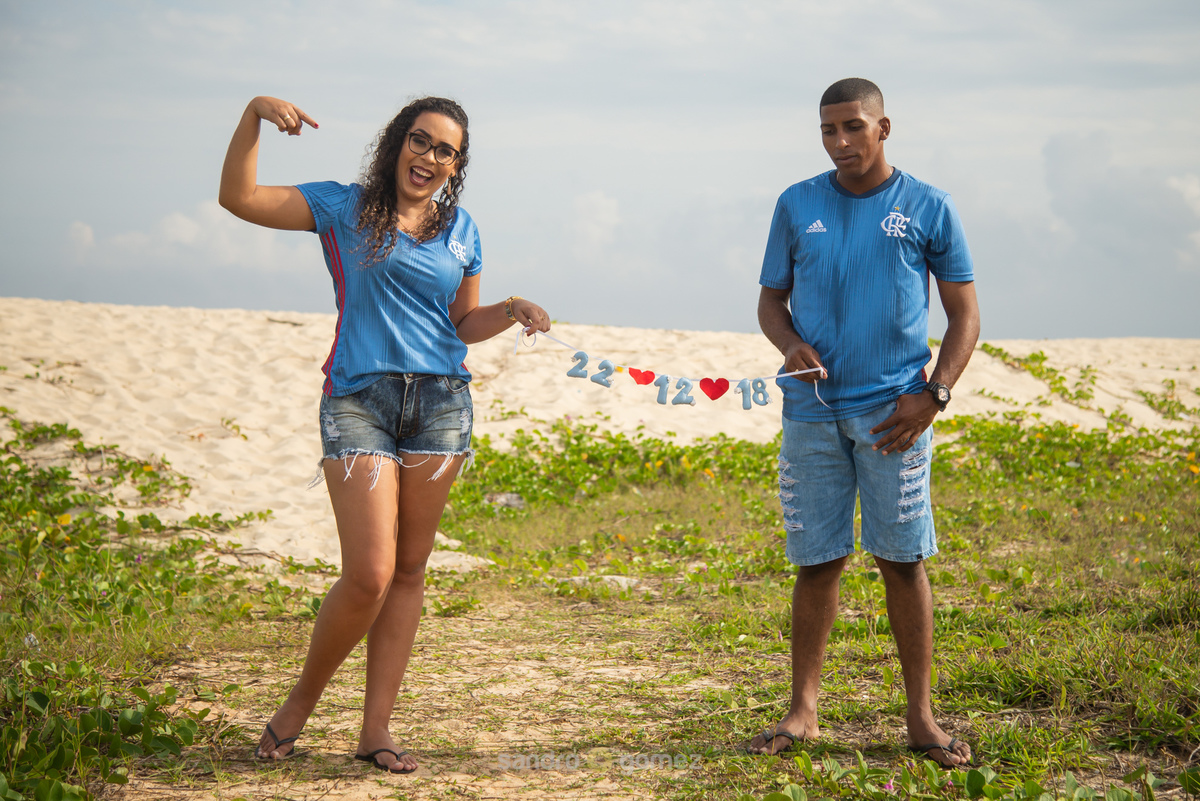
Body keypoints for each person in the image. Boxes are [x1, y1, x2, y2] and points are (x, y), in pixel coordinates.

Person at [219, 95, 551, 774]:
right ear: (398, 142)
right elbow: (239, 198)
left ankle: (376, 729)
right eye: (420, 141)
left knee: (407, 570)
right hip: (358, 399)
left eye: (445, 151)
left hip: (440, 406)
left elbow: (461, 324)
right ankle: (297, 707)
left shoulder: (462, 229)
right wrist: (253, 116)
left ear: (457, 165)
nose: (429, 157)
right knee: (369, 573)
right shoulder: (344, 207)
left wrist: (510, 308)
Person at [746, 78, 980, 768]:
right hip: (811, 413)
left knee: (902, 561)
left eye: (853, 126)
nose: (841, 141)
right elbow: (770, 302)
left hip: (895, 416)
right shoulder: (797, 204)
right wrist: (790, 344)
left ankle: (921, 717)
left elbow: (965, 315)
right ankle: (803, 710)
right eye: (829, 129)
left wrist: (934, 395)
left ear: (884, 127)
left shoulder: (929, 206)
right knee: (816, 562)